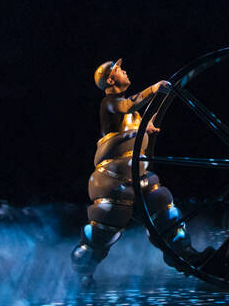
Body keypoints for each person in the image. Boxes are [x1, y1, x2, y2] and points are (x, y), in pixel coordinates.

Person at [70, 58, 207, 281]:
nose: (125, 72)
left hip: (140, 177)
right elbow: (130, 104)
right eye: (120, 70)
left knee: (165, 212)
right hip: (113, 180)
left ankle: (187, 258)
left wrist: (161, 106)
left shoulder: (134, 117)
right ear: (111, 79)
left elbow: (145, 131)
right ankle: (83, 272)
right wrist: (154, 89)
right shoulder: (111, 104)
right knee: (104, 227)